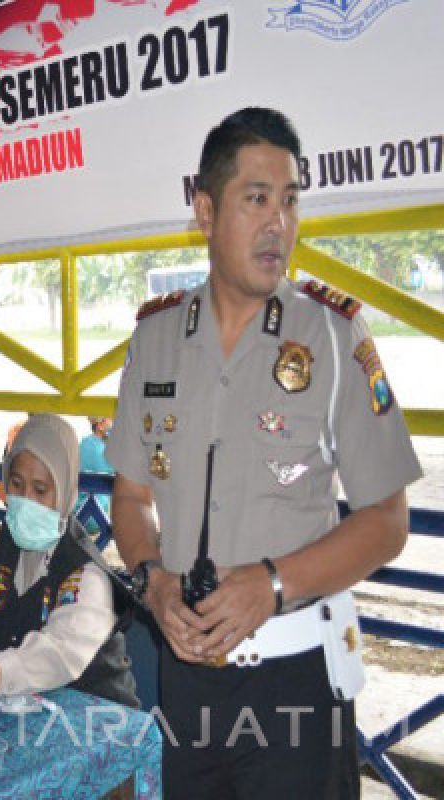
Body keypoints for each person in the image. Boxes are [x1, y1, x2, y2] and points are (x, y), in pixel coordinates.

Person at [107, 108, 421, 799]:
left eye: (290, 201)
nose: (278, 222)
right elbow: (129, 498)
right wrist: (155, 582)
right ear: (205, 209)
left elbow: (387, 520)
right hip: (185, 681)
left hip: (297, 680)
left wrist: (273, 583)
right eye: (256, 199)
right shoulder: (154, 339)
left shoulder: (332, 335)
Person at [0, 414, 137, 711]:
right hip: (33, 713)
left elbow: (55, 654)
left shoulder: (85, 572)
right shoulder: (9, 545)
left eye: (40, 490)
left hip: (98, 724)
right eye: (16, 483)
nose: (25, 500)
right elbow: (13, 638)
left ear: (64, 492)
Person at [77, 416, 113, 532]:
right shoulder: (102, 450)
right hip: (96, 517)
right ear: (100, 426)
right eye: (110, 419)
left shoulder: (83, 443)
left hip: (77, 512)